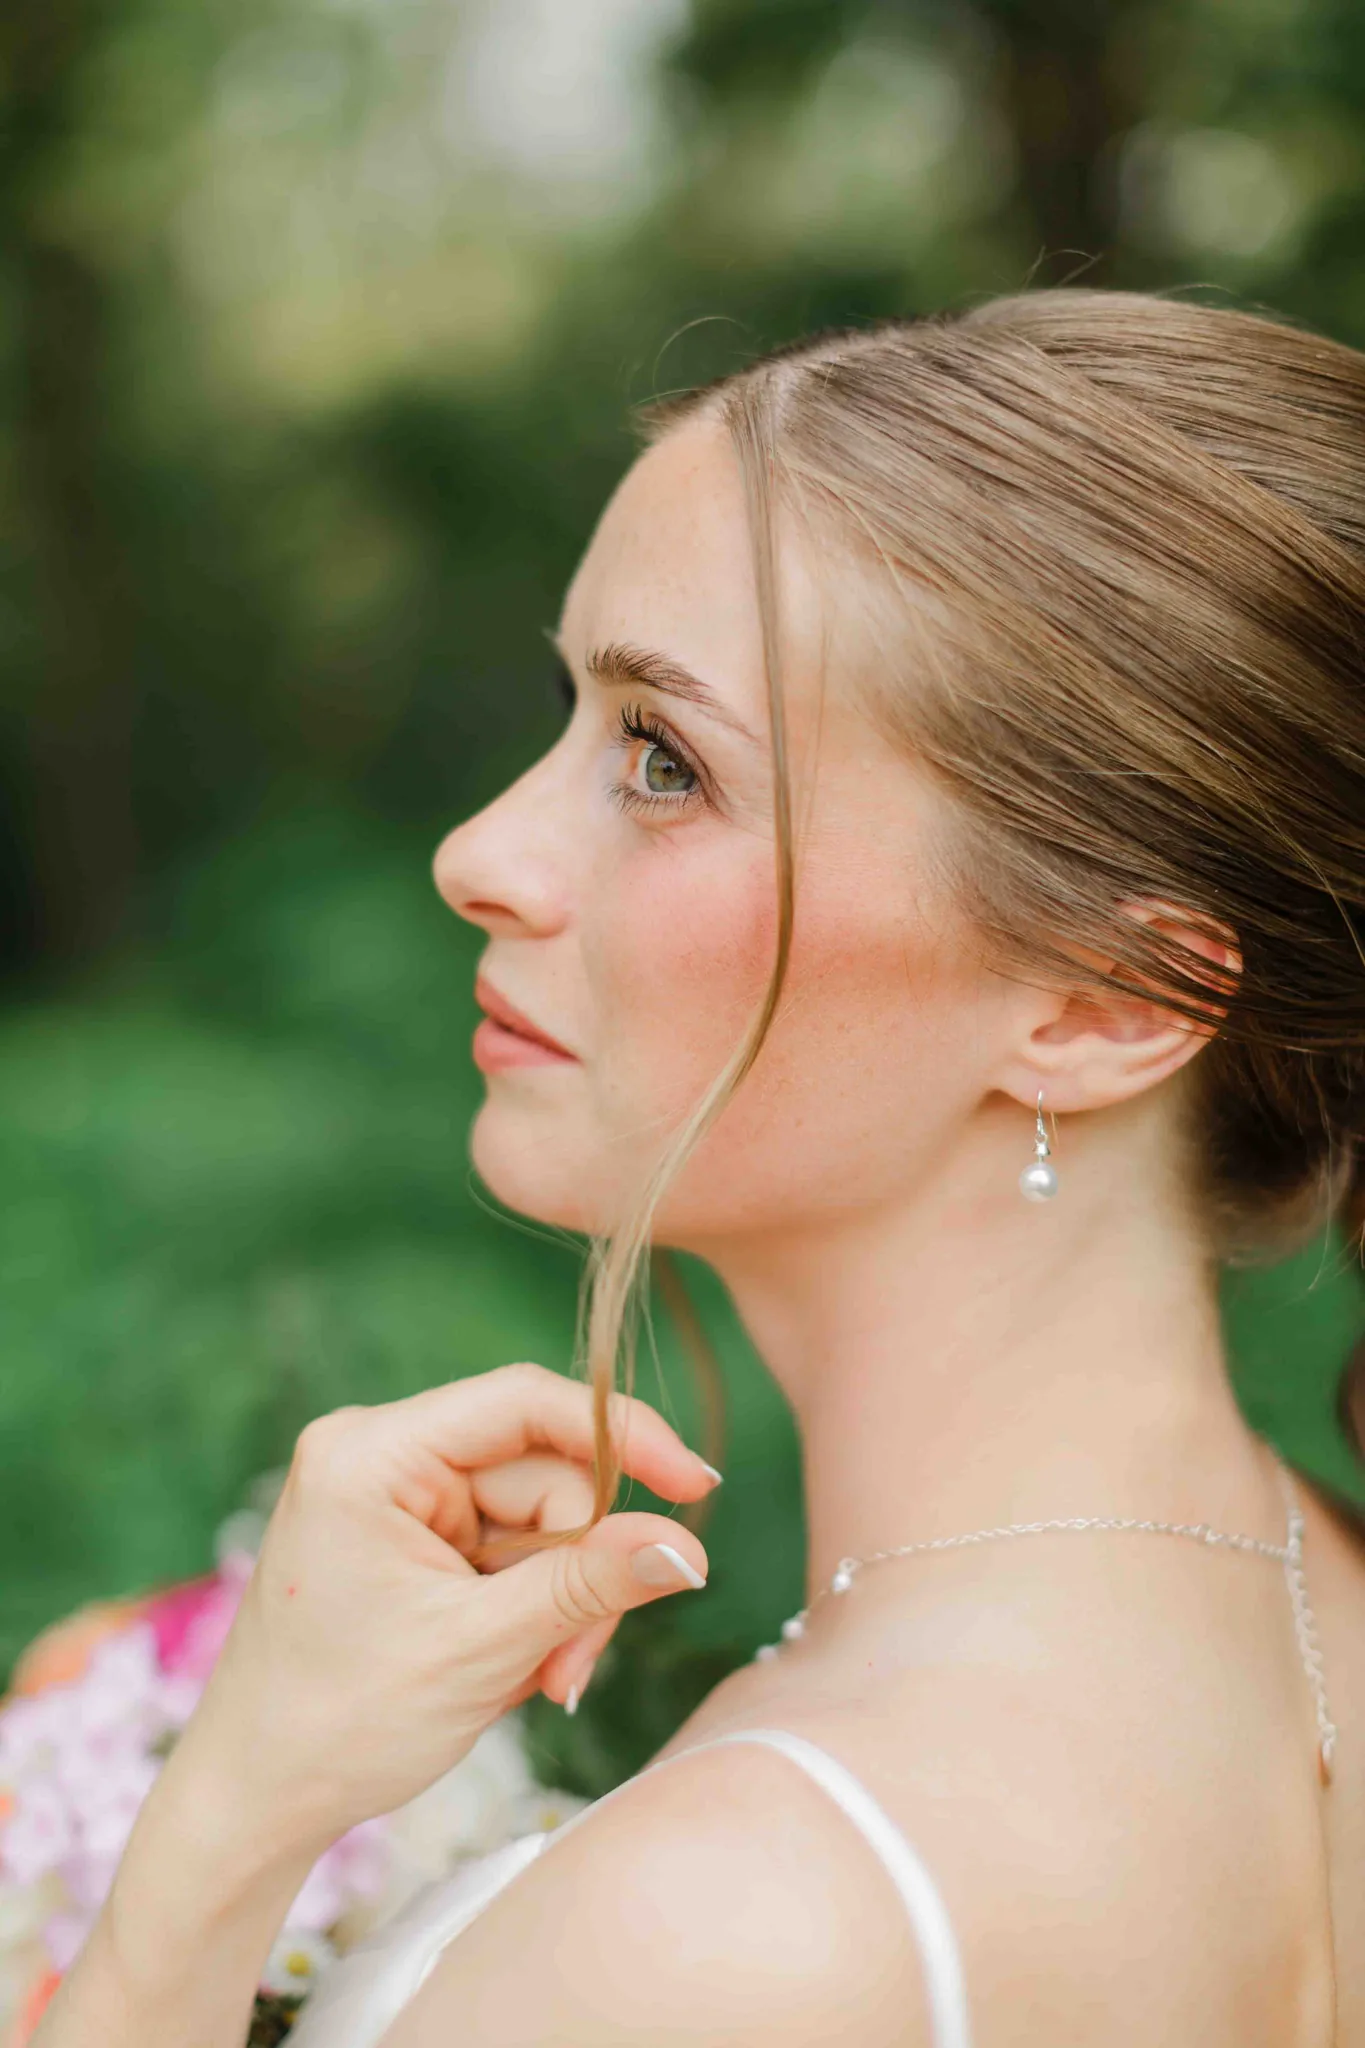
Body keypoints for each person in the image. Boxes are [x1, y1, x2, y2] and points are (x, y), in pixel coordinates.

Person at [34, 287, 1365, 2047]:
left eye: (663, 761)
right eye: (572, 716)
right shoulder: (1310, 1609)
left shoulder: (726, 1933)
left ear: (1111, 1002)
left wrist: (209, 1847)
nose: (477, 853)